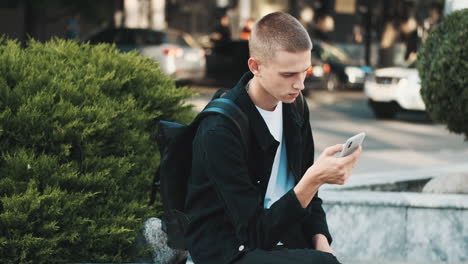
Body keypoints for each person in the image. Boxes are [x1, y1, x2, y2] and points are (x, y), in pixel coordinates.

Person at [185, 12, 362, 264]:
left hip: (279, 232)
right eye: (288, 74)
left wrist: (321, 241)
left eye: (305, 72)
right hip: (229, 247)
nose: (300, 84)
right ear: (255, 66)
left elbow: (308, 196)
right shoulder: (220, 129)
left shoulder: (295, 107)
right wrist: (314, 179)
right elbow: (254, 234)